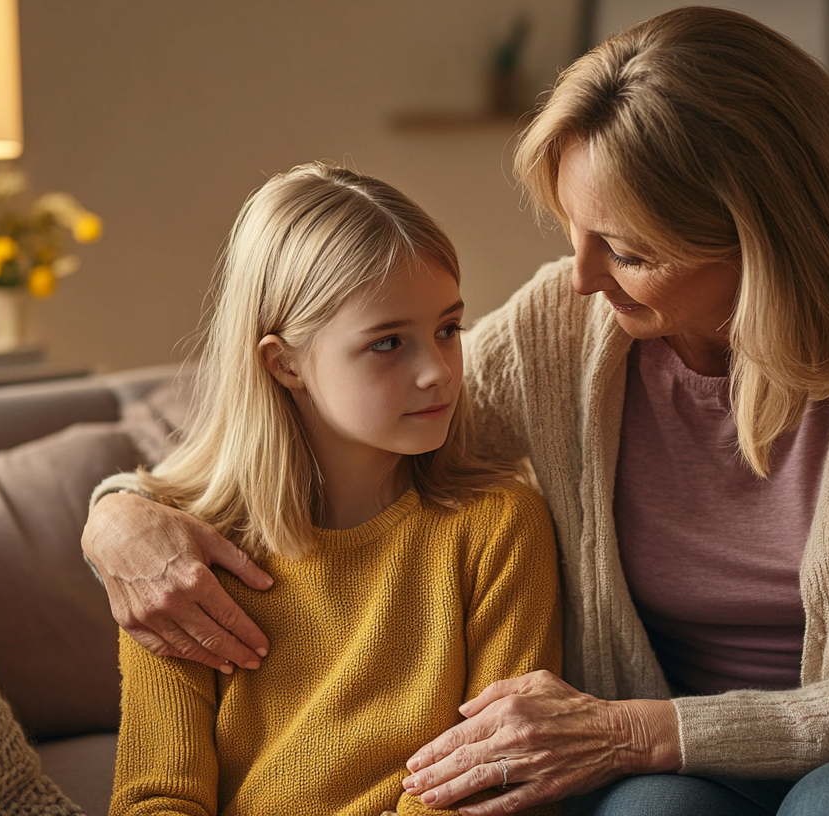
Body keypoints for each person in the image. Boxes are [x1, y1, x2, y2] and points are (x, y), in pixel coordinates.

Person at [83, 8, 829, 816]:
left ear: (762, 245)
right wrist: (119, 509)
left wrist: (641, 732)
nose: (579, 279)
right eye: (572, 232)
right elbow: (317, 409)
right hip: (686, 754)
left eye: (629, 251)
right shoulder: (571, 327)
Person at [101, 162, 561, 816]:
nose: (436, 371)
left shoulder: (498, 524)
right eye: (388, 343)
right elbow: (156, 796)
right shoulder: (176, 561)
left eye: (448, 329)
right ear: (284, 363)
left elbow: (489, 778)